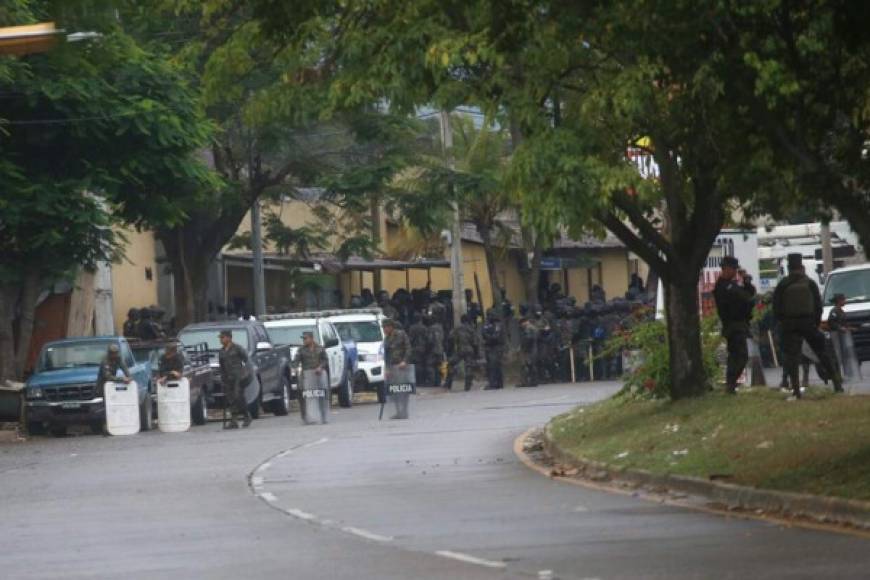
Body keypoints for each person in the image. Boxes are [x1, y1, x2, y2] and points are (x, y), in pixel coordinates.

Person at [773, 253, 842, 398]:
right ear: (802, 267)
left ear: (788, 268)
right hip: (808, 323)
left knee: (792, 358)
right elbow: (818, 306)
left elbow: (776, 308)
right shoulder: (810, 283)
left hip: (790, 325)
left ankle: (796, 390)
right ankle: (837, 384)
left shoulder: (783, 284)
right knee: (823, 353)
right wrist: (815, 323)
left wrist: (784, 323)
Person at [713, 256, 756, 394]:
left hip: (739, 324)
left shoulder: (731, 284)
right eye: (733, 269)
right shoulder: (723, 286)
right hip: (733, 324)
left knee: (737, 356)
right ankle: (730, 384)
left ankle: (731, 384)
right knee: (740, 356)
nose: (735, 272)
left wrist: (747, 281)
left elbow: (749, 295)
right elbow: (745, 298)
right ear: (727, 268)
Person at [218, 330, 253, 429]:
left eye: (223, 337)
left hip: (238, 377)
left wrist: (245, 373)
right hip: (228, 378)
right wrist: (222, 378)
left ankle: (247, 416)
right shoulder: (221, 351)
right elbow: (221, 366)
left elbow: (246, 360)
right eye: (220, 338)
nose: (221, 340)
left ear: (229, 338)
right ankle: (234, 421)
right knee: (231, 399)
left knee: (238, 397)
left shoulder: (237, 348)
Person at [293, 331, 329, 423]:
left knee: (321, 395)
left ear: (311, 339)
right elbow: (296, 361)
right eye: (303, 339)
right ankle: (306, 417)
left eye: (306, 338)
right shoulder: (301, 350)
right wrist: (295, 367)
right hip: (307, 376)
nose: (304, 340)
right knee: (306, 396)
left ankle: (323, 416)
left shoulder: (320, 349)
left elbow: (325, 360)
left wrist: (320, 367)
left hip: (319, 375)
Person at [383, 319, 412, 419]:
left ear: (391, 327)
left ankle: (404, 410)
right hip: (392, 368)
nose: (384, 329)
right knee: (393, 391)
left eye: (385, 327)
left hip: (402, 367)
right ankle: (398, 411)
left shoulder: (401, 335)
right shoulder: (386, 339)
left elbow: (408, 348)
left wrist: (405, 361)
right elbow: (386, 356)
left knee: (404, 390)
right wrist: (386, 369)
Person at [443, 314, 481, 391]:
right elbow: (475, 342)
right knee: (469, 367)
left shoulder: (457, 328)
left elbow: (450, 338)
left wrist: (450, 350)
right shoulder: (472, 329)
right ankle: (467, 385)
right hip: (470, 350)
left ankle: (448, 383)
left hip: (460, 350)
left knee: (451, 364)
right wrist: (476, 354)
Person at [481, 310, 507, 390]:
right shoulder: (487, 324)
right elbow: (484, 333)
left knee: (494, 365)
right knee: (493, 365)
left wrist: (489, 338)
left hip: (497, 347)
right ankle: (497, 383)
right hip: (490, 347)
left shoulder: (498, 325)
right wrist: (488, 337)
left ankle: (494, 383)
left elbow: (495, 336)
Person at [407, 314, 431, 387]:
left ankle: (416, 381)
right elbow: (428, 339)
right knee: (422, 365)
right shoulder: (425, 328)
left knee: (415, 365)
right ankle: (422, 381)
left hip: (414, 349)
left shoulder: (412, 328)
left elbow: (410, 339)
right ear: (420, 320)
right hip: (423, 348)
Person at [517, 317, 539, 387]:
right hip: (531, 349)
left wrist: (523, 348)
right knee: (530, 365)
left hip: (529, 349)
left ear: (525, 322)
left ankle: (531, 381)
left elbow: (528, 339)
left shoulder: (528, 328)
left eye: (521, 323)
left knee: (529, 365)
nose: (521, 325)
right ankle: (531, 381)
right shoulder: (531, 327)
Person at [425, 315, 445, 387]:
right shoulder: (441, 327)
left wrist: (427, 349)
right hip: (440, 349)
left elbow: (430, 340)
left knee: (430, 366)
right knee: (438, 366)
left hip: (433, 350)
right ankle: (438, 382)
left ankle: (432, 382)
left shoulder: (431, 328)